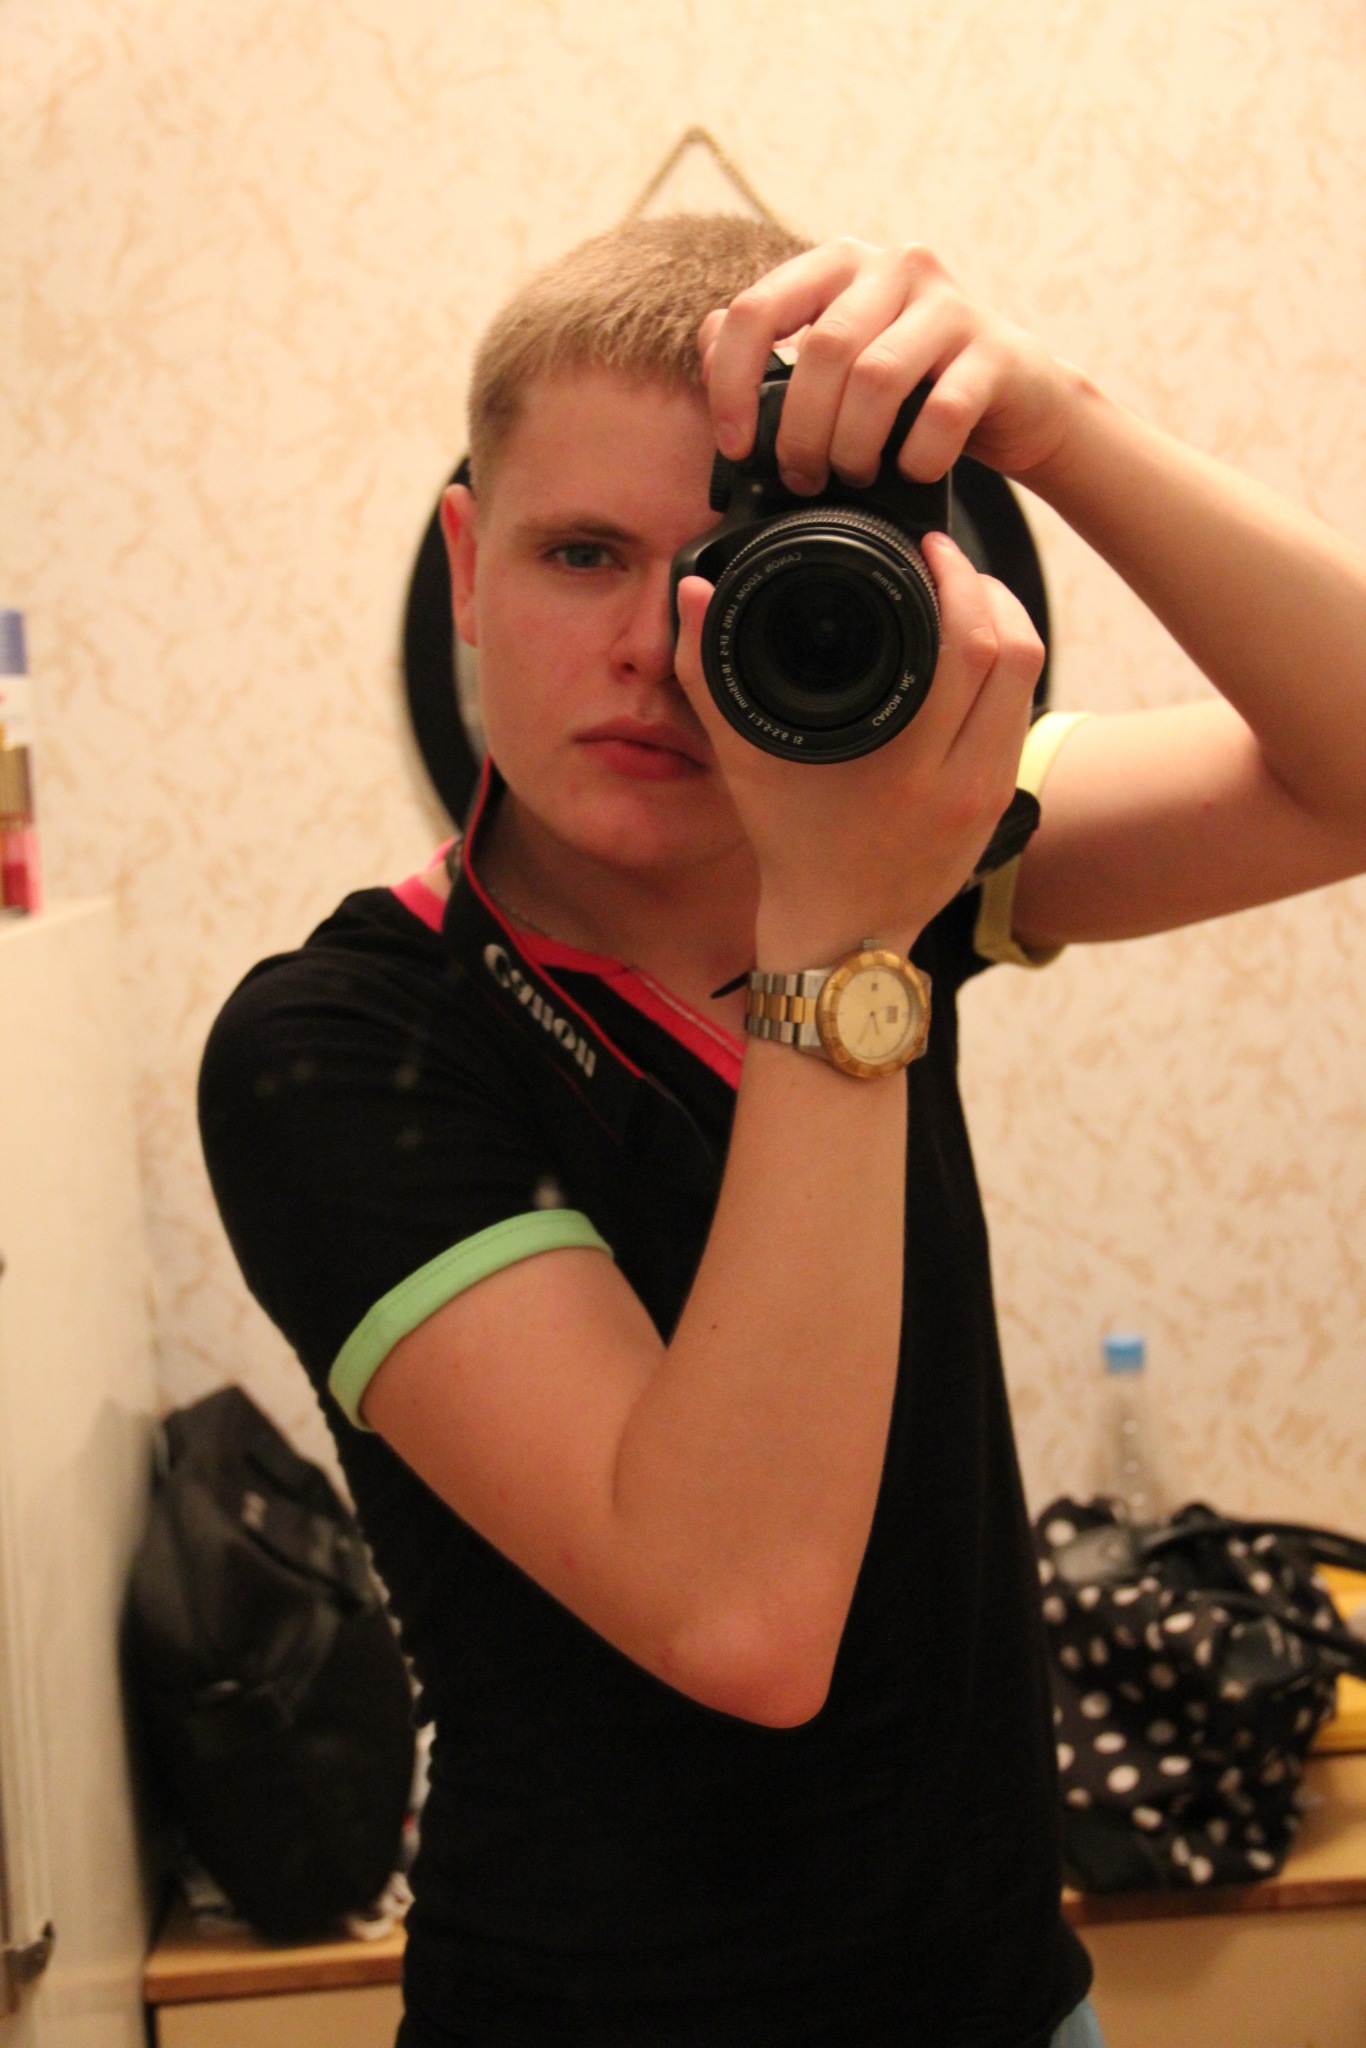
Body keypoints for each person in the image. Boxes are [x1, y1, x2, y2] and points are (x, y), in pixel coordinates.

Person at [199, 214, 1366, 2048]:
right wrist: (841, 932)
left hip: (1008, 2005)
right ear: (467, 570)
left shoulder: (893, 856)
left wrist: (1056, 422)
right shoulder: (344, 1041)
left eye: (726, 570)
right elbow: (738, 1619)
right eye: (581, 553)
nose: (651, 646)